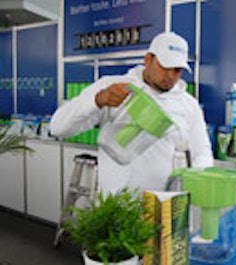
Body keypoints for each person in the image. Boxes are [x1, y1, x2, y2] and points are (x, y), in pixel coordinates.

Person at [50, 31, 214, 194]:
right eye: (165, 67)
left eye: (177, 70)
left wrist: (199, 182)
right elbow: (57, 128)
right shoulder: (113, 87)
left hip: (161, 206)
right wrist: (97, 100)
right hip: (115, 205)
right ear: (148, 59)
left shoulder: (188, 105)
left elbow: (202, 151)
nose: (170, 76)